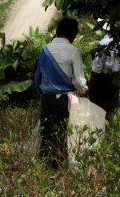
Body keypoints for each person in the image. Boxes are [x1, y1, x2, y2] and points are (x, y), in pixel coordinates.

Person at [34, 17, 88, 169]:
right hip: (64, 100)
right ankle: (60, 165)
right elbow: (79, 81)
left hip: (46, 98)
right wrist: (85, 91)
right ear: (73, 34)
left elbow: (37, 78)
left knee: (46, 132)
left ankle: (44, 165)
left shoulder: (45, 50)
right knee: (63, 133)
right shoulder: (73, 51)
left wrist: (44, 91)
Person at [88, 25, 120, 116]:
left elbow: (96, 69)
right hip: (115, 78)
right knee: (111, 108)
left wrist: (90, 87)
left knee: (97, 108)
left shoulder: (103, 43)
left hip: (102, 79)